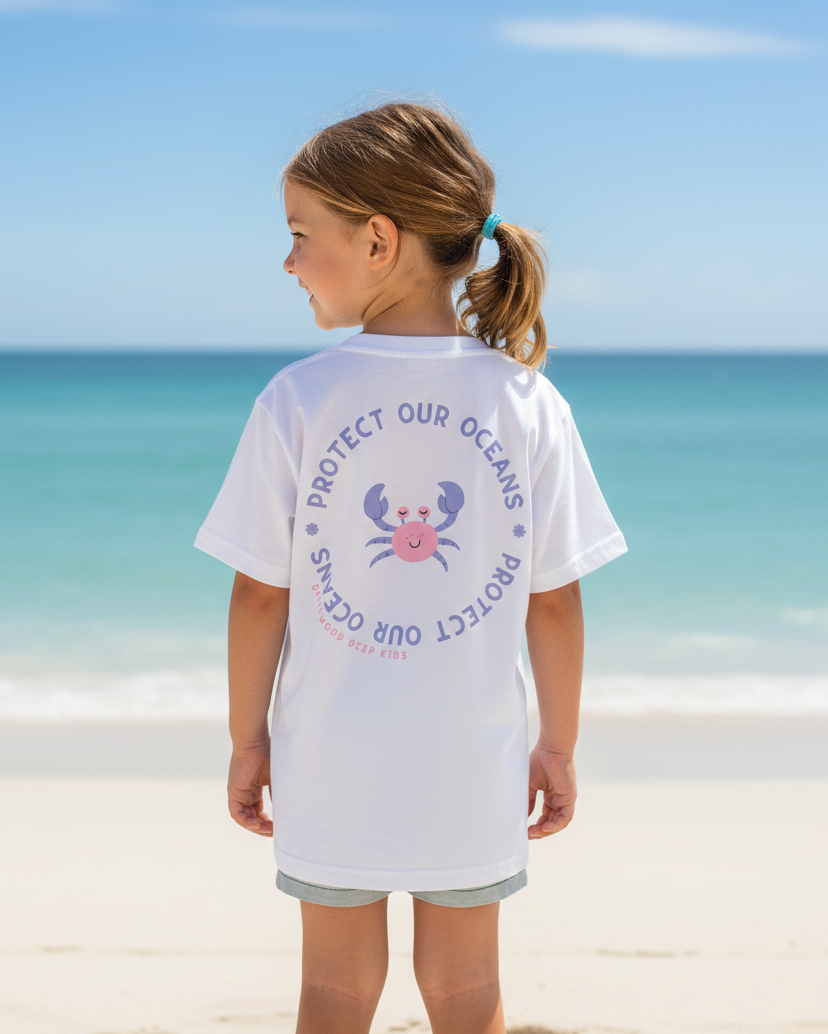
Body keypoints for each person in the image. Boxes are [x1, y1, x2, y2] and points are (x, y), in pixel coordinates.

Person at [195, 101, 627, 1034]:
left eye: (302, 235)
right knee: (469, 993)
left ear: (380, 240)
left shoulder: (298, 400)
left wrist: (246, 738)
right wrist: (558, 742)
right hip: (473, 759)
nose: (288, 261)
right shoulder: (528, 403)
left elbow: (259, 590)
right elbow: (554, 603)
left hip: (331, 755)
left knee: (334, 994)